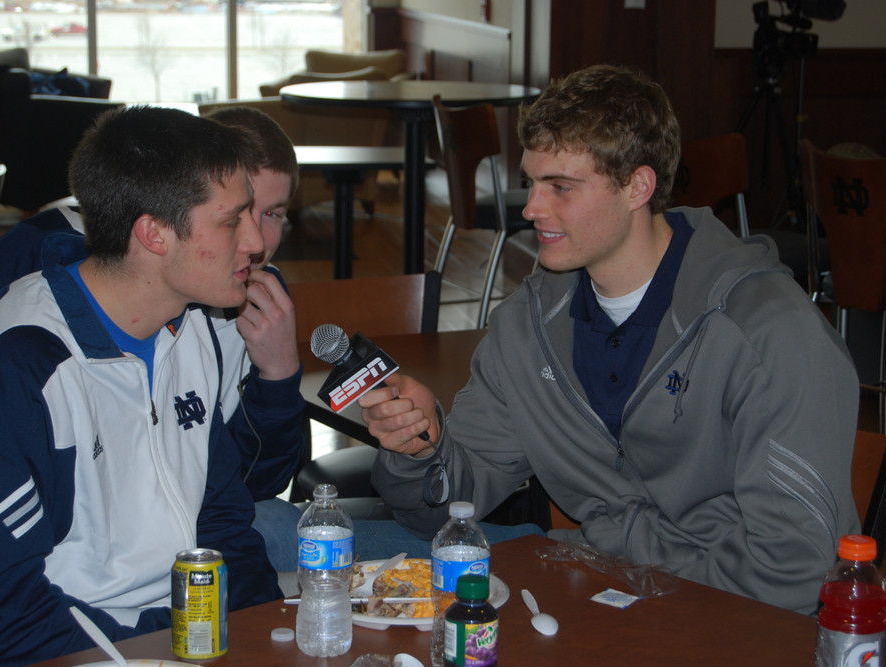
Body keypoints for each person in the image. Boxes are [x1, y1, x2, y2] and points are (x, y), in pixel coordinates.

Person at [358, 65, 860, 615]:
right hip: (593, 583)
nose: (531, 209)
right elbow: (455, 504)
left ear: (638, 187)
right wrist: (421, 448)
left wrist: (635, 604)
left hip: (723, 619)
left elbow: (793, 571)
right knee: (288, 535)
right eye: (532, 181)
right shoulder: (527, 323)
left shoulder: (768, 334)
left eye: (562, 187)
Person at [0, 106, 285, 667]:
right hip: (8, 663)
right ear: (152, 233)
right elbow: (3, 623)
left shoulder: (192, 331)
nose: (256, 240)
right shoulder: (6, 373)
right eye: (232, 221)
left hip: (155, 641)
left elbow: (224, 524)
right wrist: (154, 665)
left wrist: (257, 645)